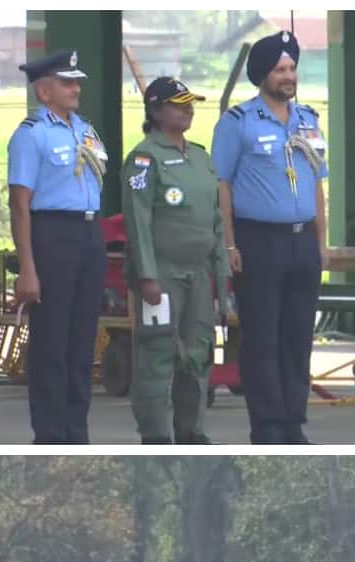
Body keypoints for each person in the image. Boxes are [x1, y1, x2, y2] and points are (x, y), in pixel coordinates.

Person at [211, 31, 328, 444]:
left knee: (297, 337)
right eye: (280, 69)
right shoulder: (238, 123)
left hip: (302, 244)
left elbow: (316, 184)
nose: (288, 75)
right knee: (262, 337)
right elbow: (222, 186)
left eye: (292, 68)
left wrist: (322, 243)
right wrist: (229, 245)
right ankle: (267, 425)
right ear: (262, 75)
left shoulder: (308, 121)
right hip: (258, 241)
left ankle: (294, 423)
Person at [7, 49, 108, 444]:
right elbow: (19, 203)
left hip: (88, 234)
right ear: (44, 90)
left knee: (82, 340)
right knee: (52, 341)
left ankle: (75, 428)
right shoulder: (31, 134)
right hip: (51, 235)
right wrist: (28, 268)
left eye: (76, 81)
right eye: (67, 82)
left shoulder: (85, 129)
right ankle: (50, 431)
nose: (76, 88)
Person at [120, 77, 227, 445]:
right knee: (158, 353)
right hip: (162, 274)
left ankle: (191, 429)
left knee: (198, 353)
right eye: (179, 104)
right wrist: (147, 276)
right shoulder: (144, 158)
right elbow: (138, 220)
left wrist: (221, 274)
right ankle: (155, 434)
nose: (188, 109)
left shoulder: (199, 156)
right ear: (157, 110)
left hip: (198, 274)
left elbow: (215, 219)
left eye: (190, 103)